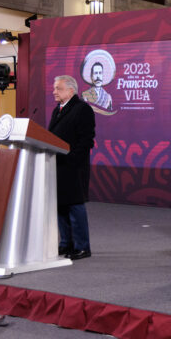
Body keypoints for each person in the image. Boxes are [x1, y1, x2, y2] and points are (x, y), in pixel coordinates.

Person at [48, 75, 96, 260]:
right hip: (58, 165)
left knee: (75, 206)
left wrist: (73, 159)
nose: (54, 92)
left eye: (58, 88)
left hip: (74, 167)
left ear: (71, 90)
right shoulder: (57, 110)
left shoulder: (82, 109)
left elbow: (86, 140)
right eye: (54, 88)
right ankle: (65, 243)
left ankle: (82, 246)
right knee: (60, 206)